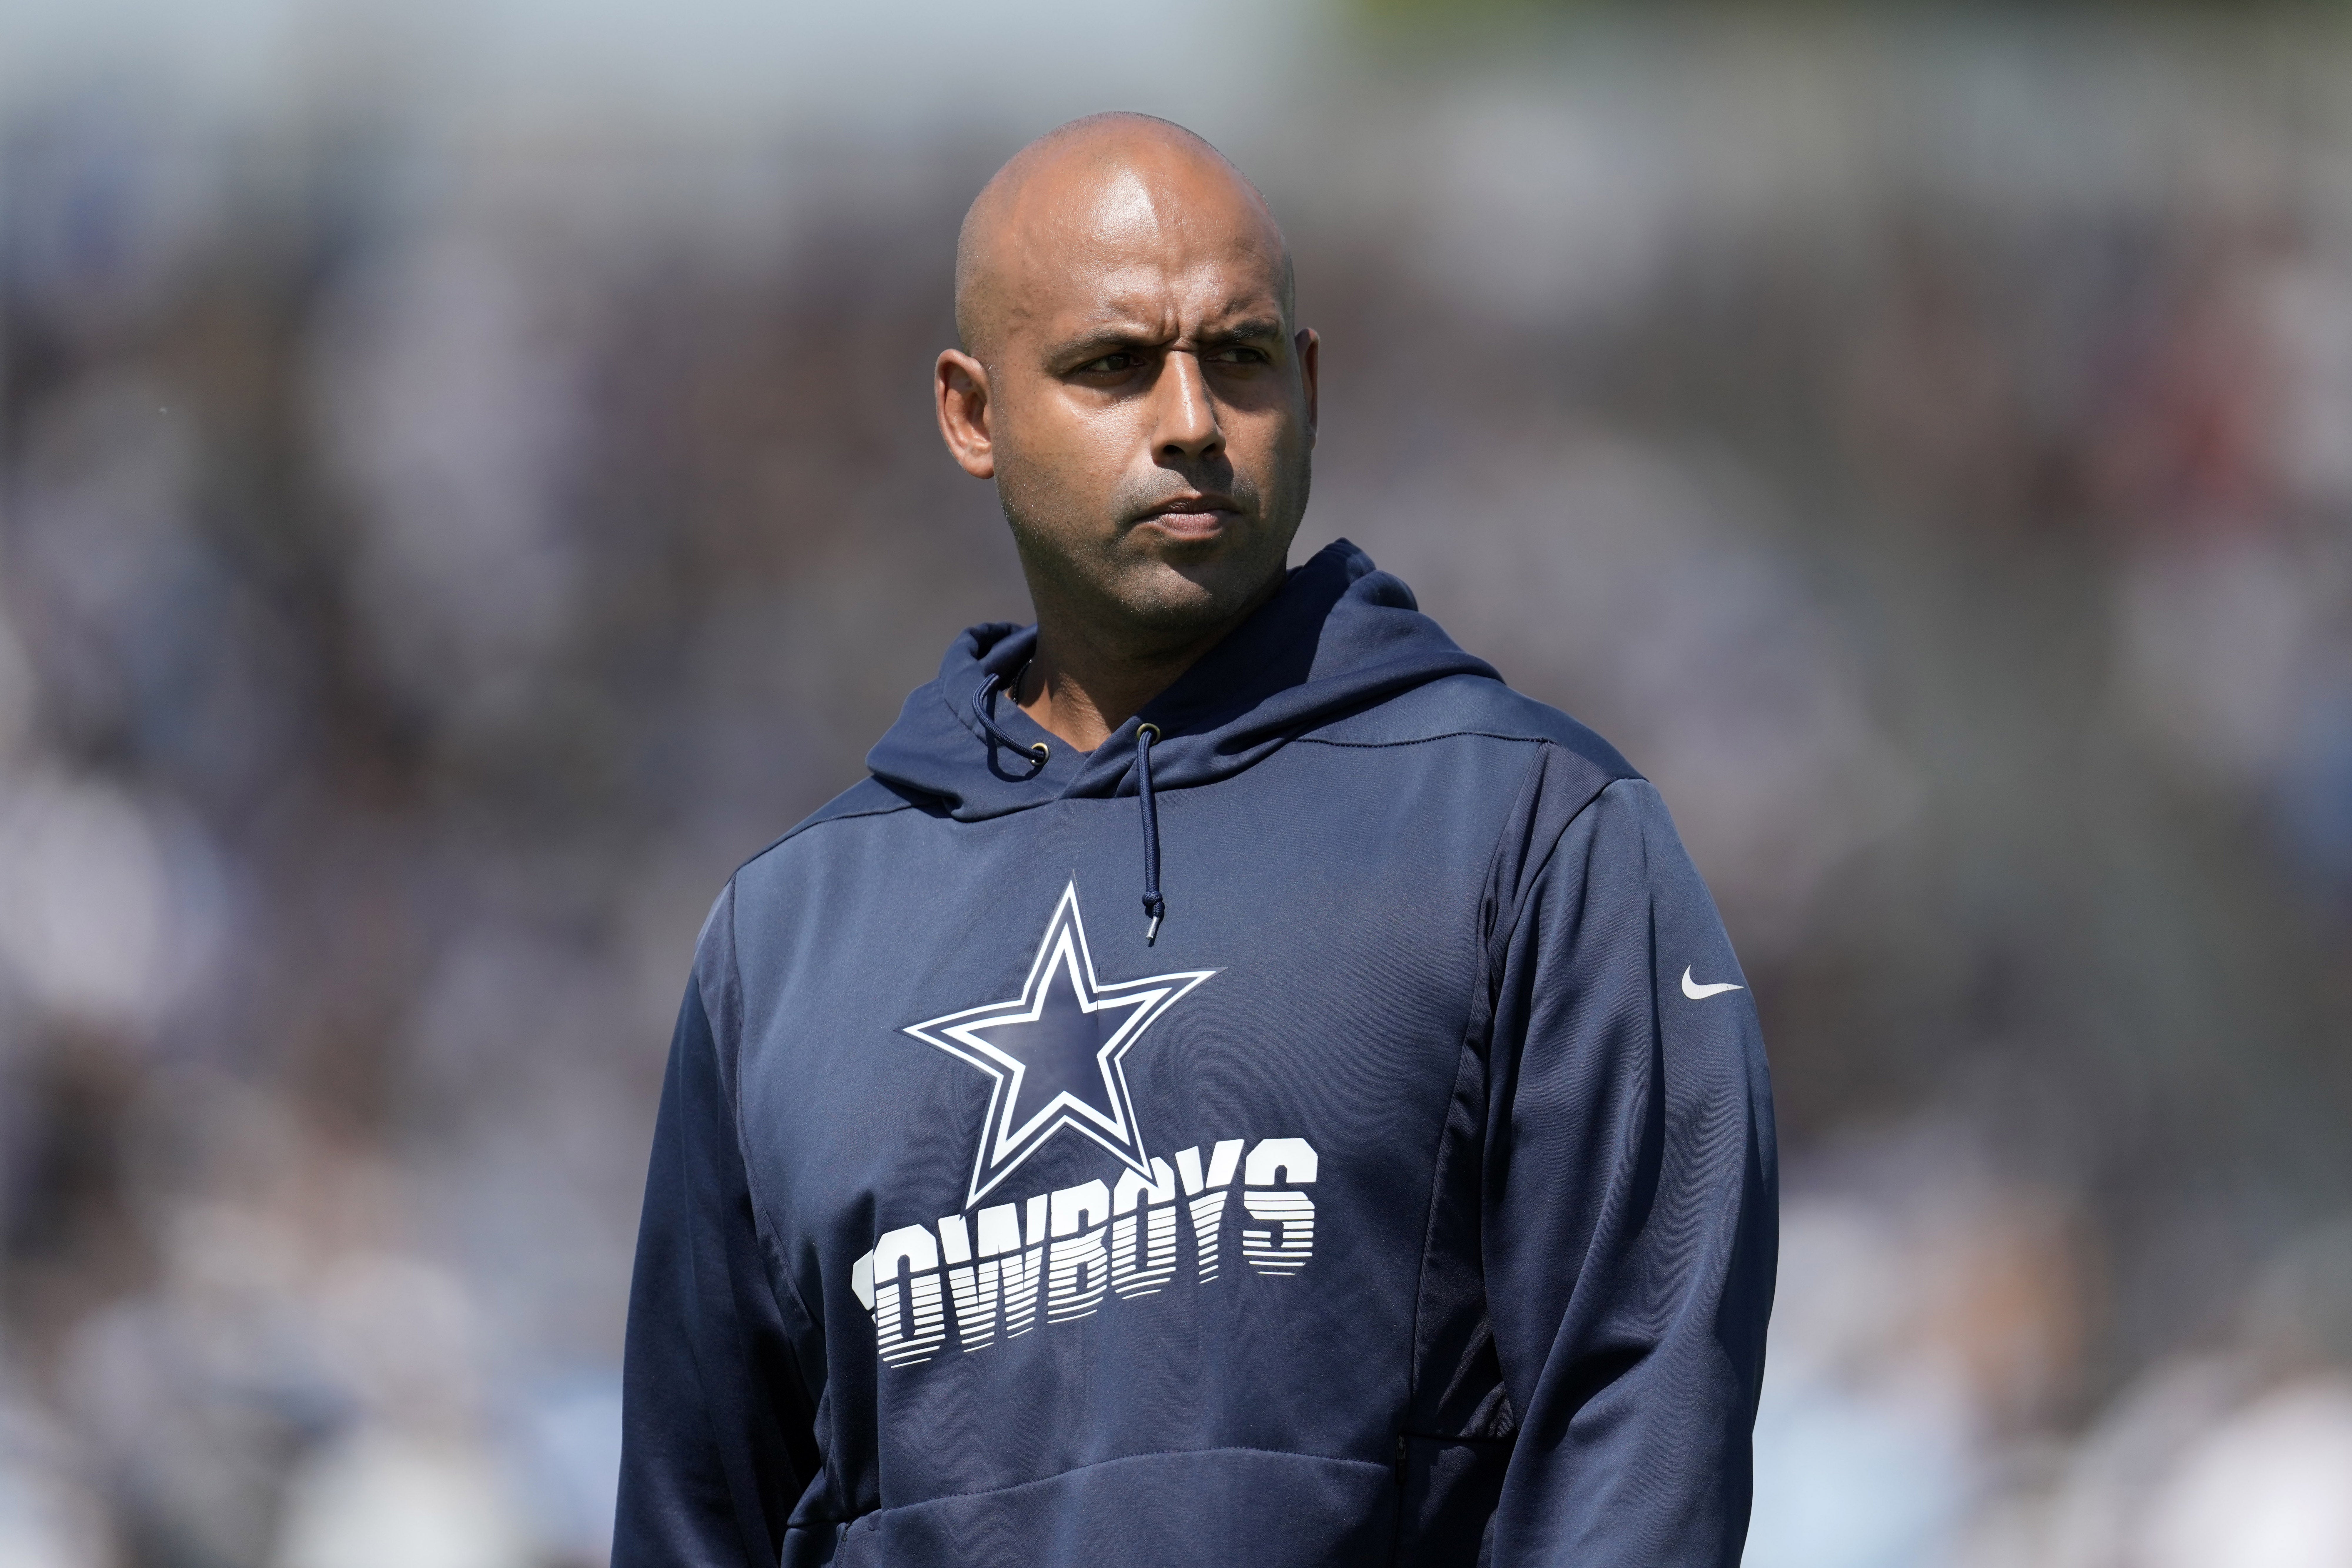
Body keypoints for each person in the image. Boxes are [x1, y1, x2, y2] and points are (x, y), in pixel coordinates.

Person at [613, 112, 1776, 1568]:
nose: (1189, 420)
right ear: (972, 413)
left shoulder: (1534, 831)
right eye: (1112, 364)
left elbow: (1642, 1431)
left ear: (1306, 383)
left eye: (1235, 357)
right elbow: (696, 1513)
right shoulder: (783, 945)